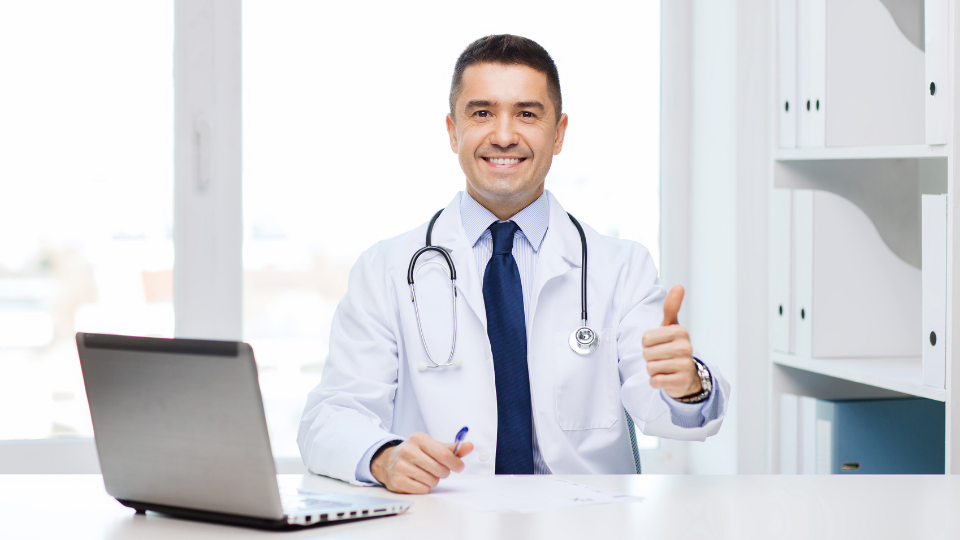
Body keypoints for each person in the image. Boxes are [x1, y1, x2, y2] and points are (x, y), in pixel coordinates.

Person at [298, 34, 729, 494]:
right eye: (482, 113)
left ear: (559, 132)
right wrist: (383, 458)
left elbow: (666, 405)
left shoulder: (621, 268)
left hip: (586, 525)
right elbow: (333, 415)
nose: (504, 136)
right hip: (444, 524)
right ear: (452, 130)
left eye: (527, 113)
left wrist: (687, 384)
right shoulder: (386, 269)